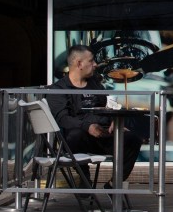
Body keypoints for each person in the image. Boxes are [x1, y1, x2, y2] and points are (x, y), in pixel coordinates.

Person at [46, 44, 144, 189]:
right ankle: (84, 180)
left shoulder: (96, 85)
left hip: (104, 135)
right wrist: (88, 126)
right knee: (74, 135)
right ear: (79, 63)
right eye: (91, 61)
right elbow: (63, 119)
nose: (95, 64)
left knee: (133, 139)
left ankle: (113, 185)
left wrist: (114, 122)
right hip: (79, 140)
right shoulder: (58, 89)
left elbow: (108, 106)